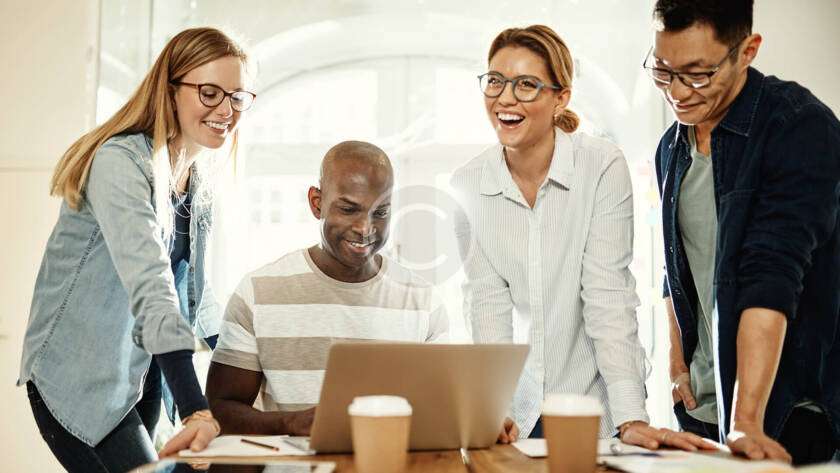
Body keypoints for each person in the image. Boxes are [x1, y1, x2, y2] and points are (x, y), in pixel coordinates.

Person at [450, 25, 713, 452]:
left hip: (594, 411)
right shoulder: (467, 185)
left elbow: (608, 295)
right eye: (495, 81)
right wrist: (492, 406)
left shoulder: (601, 166)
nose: (505, 98)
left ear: (561, 98)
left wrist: (631, 416)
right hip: (515, 416)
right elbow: (486, 307)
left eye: (526, 85)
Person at [17, 27, 257, 472]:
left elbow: (196, 298)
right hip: (79, 377)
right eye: (210, 93)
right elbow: (153, 286)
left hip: (141, 374)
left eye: (238, 97)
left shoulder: (197, 180)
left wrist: (255, 368)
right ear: (170, 89)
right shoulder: (120, 163)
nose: (226, 110)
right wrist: (196, 409)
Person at [648, 0, 840, 464]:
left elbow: (771, 275)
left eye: (697, 74)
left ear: (748, 51)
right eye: (662, 71)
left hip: (784, 411)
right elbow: (677, 265)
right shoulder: (671, 147)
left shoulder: (799, 127)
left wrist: (746, 419)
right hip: (702, 410)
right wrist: (677, 363)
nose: (677, 92)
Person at [205, 141, 448, 435]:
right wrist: (289, 422)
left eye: (381, 212)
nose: (365, 228)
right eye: (349, 209)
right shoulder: (258, 292)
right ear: (316, 202)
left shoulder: (424, 301)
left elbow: (443, 409)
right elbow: (221, 409)